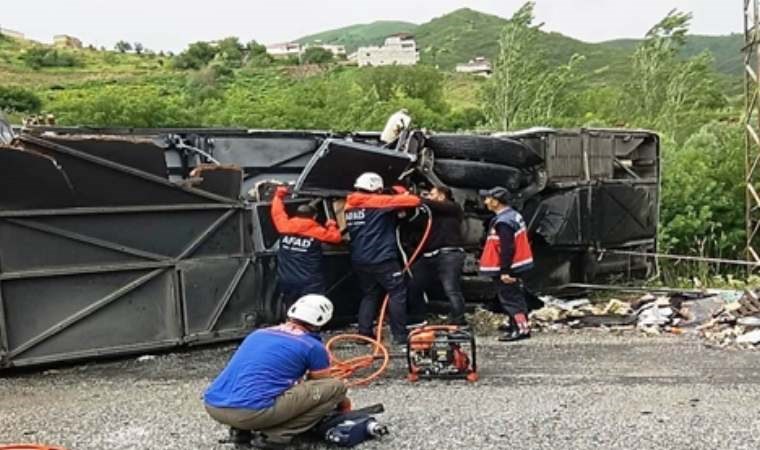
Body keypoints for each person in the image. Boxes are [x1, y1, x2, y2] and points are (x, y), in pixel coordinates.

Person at [204, 295, 348, 450]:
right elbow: (321, 384)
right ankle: (274, 437)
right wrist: (343, 404)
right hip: (250, 414)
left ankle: (240, 432)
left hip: (214, 405)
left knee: (259, 386)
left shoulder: (258, 334)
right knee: (336, 386)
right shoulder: (312, 346)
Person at [345, 172, 421, 345]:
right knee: (397, 292)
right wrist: (399, 191)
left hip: (359, 259)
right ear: (376, 189)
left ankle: (364, 333)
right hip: (382, 258)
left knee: (370, 294)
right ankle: (399, 336)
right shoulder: (378, 203)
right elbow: (414, 201)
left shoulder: (350, 205)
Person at [479, 187, 535, 342]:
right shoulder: (513, 215)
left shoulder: (504, 222)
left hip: (509, 267)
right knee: (513, 296)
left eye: (488, 199)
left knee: (511, 298)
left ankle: (521, 329)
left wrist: (505, 271)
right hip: (516, 264)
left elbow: (507, 248)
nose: (485, 202)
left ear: (496, 202)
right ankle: (516, 324)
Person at [271, 185, 342, 308]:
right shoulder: (317, 231)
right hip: (309, 281)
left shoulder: (284, 226)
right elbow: (336, 238)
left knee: (291, 307)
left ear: (297, 215)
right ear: (314, 217)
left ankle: (292, 325)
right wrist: (331, 225)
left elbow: (277, 212)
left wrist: (278, 196)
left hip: (287, 278)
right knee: (312, 308)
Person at [408, 186, 467, 325]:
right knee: (413, 284)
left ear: (442, 196)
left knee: (451, 289)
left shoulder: (453, 208)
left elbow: (430, 204)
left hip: (449, 253)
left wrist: (416, 198)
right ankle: (417, 317)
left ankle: (459, 321)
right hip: (429, 255)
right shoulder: (429, 214)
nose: (429, 197)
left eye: (431, 194)